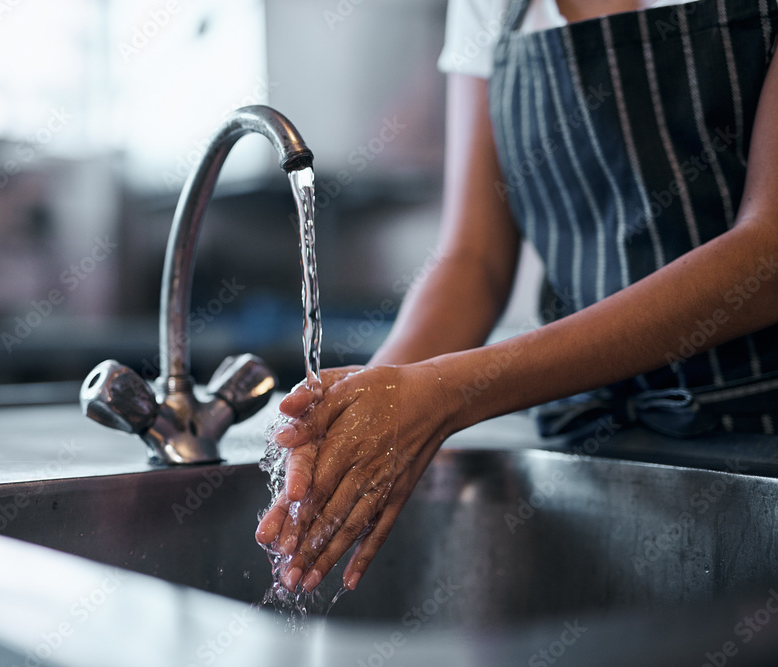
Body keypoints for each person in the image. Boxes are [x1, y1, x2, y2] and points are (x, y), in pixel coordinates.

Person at [255, 0, 778, 595]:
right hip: (591, 446)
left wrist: (450, 391)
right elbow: (472, 260)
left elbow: (769, 251)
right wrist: (369, 415)